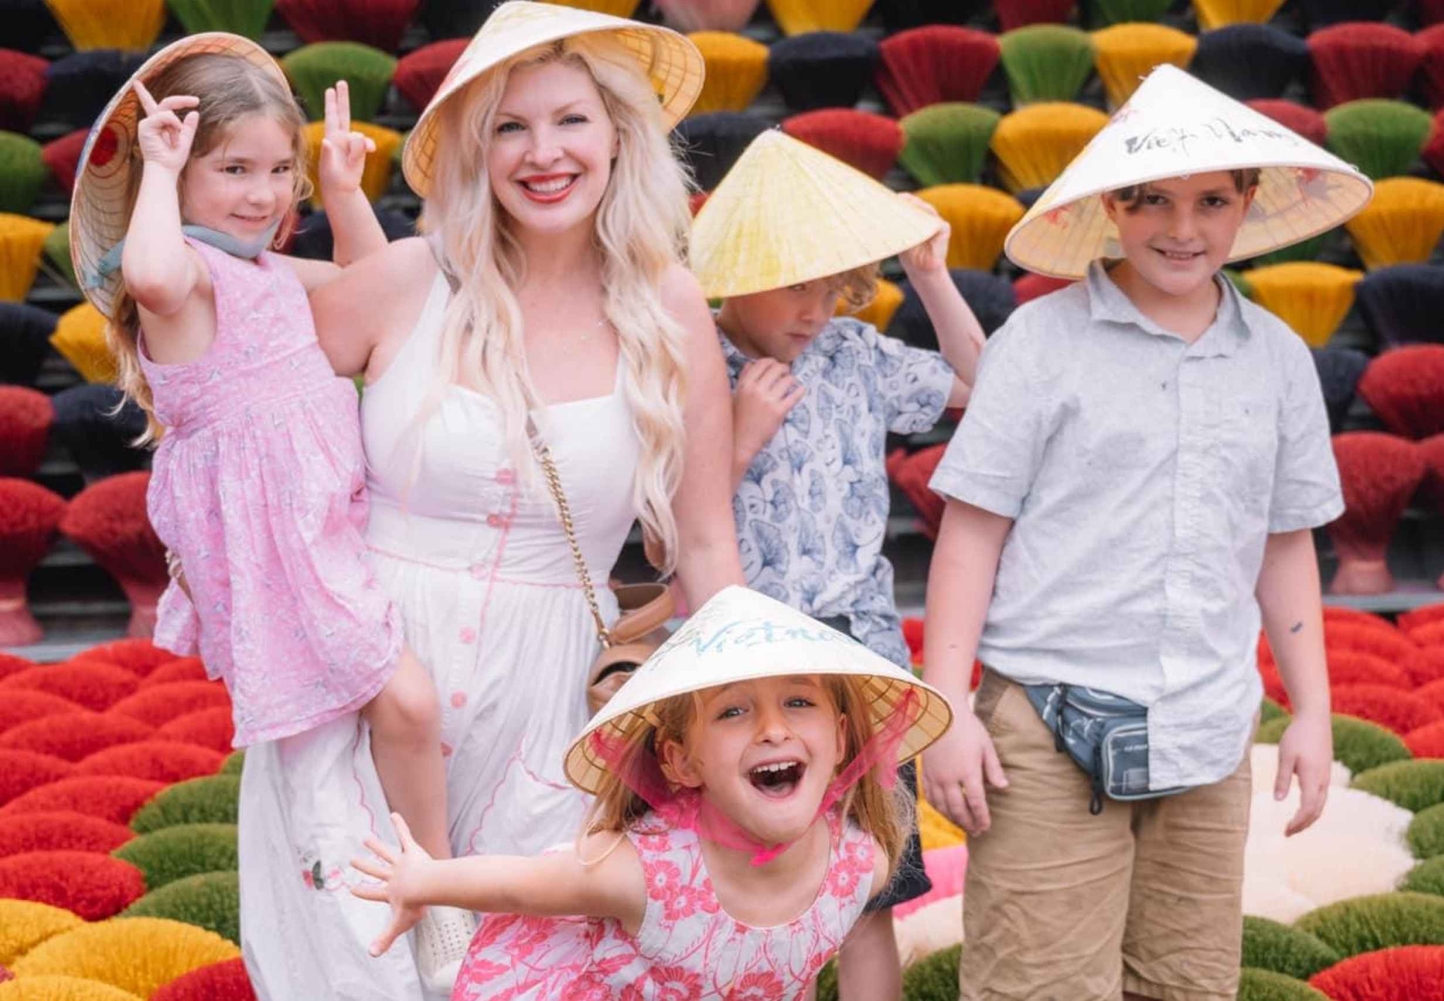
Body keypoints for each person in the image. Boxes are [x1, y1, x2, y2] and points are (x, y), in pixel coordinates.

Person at [228, 5, 743, 998]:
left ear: (618, 136)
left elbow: (708, 543)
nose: (543, 153)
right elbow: (237, 394)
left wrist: (746, 713)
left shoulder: (669, 306)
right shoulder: (408, 280)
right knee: (356, 973)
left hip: (552, 709)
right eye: (510, 126)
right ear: (477, 150)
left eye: (570, 120)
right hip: (365, 685)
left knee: (528, 972)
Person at [918, 64, 1374, 1001]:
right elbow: (971, 532)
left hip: (1206, 727)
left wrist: (1313, 709)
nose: (1182, 227)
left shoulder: (1279, 360)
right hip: (1047, 722)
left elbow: (1284, 542)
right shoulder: (1039, 344)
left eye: (1212, 201)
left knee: (1187, 981)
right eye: (1152, 200)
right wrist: (947, 708)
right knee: (1037, 984)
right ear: (1111, 207)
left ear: (1247, 201)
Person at [68, 34, 470, 988]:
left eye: (277, 169)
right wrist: (156, 166)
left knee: (367, 737)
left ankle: (415, 892)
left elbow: (381, 289)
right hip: (276, 552)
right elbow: (153, 275)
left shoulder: (267, 275)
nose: (262, 193)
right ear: (179, 174)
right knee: (374, 728)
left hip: (327, 527)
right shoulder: (182, 282)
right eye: (233, 169)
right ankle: (425, 900)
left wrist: (341, 193)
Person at [688, 129, 985, 1001]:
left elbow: (989, 389)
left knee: (866, 894)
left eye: (829, 284)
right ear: (738, 270)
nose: (815, 308)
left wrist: (930, 276)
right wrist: (739, 439)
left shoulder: (854, 352)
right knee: (731, 890)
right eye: (795, 283)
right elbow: (666, 536)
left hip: (862, 657)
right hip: (742, 663)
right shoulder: (693, 362)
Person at [348, 586, 954, 1001]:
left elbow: (788, 964)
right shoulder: (646, 872)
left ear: (842, 737)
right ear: (682, 761)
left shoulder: (859, 869)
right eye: (734, 711)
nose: (774, 728)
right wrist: (424, 881)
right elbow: (527, 883)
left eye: (799, 701)